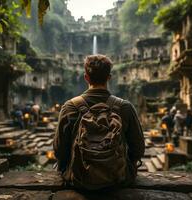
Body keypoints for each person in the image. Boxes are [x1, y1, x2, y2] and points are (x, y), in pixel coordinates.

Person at [53, 55, 145, 190]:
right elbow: (138, 149)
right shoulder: (125, 107)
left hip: (79, 179)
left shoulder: (70, 107)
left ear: (86, 77)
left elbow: (59, 150)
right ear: (109, 77)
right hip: (118, 179)